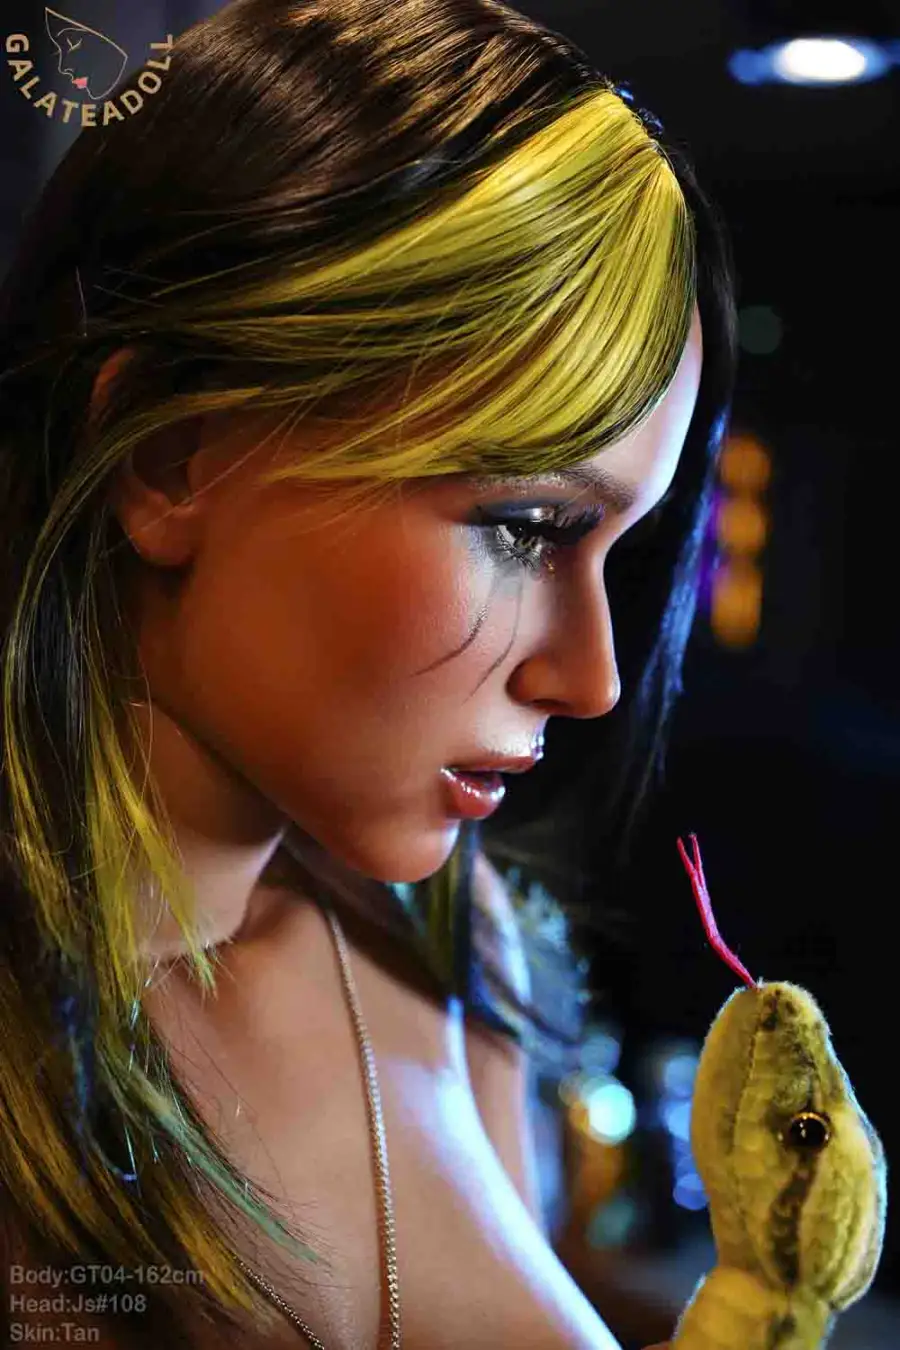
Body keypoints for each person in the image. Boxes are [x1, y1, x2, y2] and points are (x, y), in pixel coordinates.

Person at [0, 1, 736, 1346]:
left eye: (617, 550)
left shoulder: (461, 953)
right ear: (173, 460)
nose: (593, 680)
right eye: (527, 526)